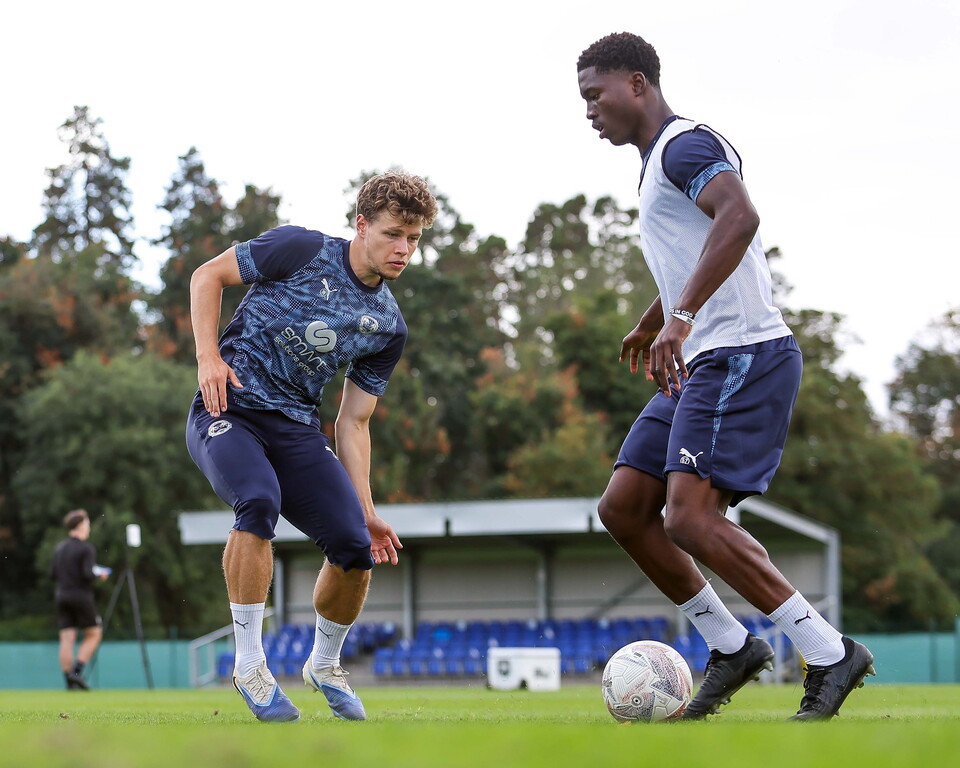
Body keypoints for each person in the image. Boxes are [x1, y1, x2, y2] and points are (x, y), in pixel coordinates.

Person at [576, 33, 875, 721]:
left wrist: (680, 315)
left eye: (597, 94)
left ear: (638, 85)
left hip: (741, 354)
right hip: (698, 360)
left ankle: (830, 653)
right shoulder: (655, 164)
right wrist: (659, 315)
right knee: (623, 507)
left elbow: (739, 216)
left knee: (690, 517)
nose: (591, 110)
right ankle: (731, 646)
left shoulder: (684, 144)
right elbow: (698, 246)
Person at [186, 171, 438, 723]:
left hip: (297, 429)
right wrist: (209, 357)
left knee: (353, 546)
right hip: (229, 409)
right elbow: (207, 277)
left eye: (414, 239)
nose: (404, 249)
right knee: (257, 501)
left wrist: (367, 510)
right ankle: (250, 663)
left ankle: (324, 665)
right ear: (362, 224)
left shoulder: (388, 326)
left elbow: (353, 422)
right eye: (394, 233)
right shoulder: (297, 247)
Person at [51, 508, 110, 690]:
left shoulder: (59, 548)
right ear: (80, 525)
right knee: (94, 633)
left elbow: (52, 574)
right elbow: (87, 573)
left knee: (67, 638)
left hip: (61, 595)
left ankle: (68, 679)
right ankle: (77, 672)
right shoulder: (86, 548)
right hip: (80, 596)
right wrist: (99, 574)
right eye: (88, 523)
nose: (89, 527)